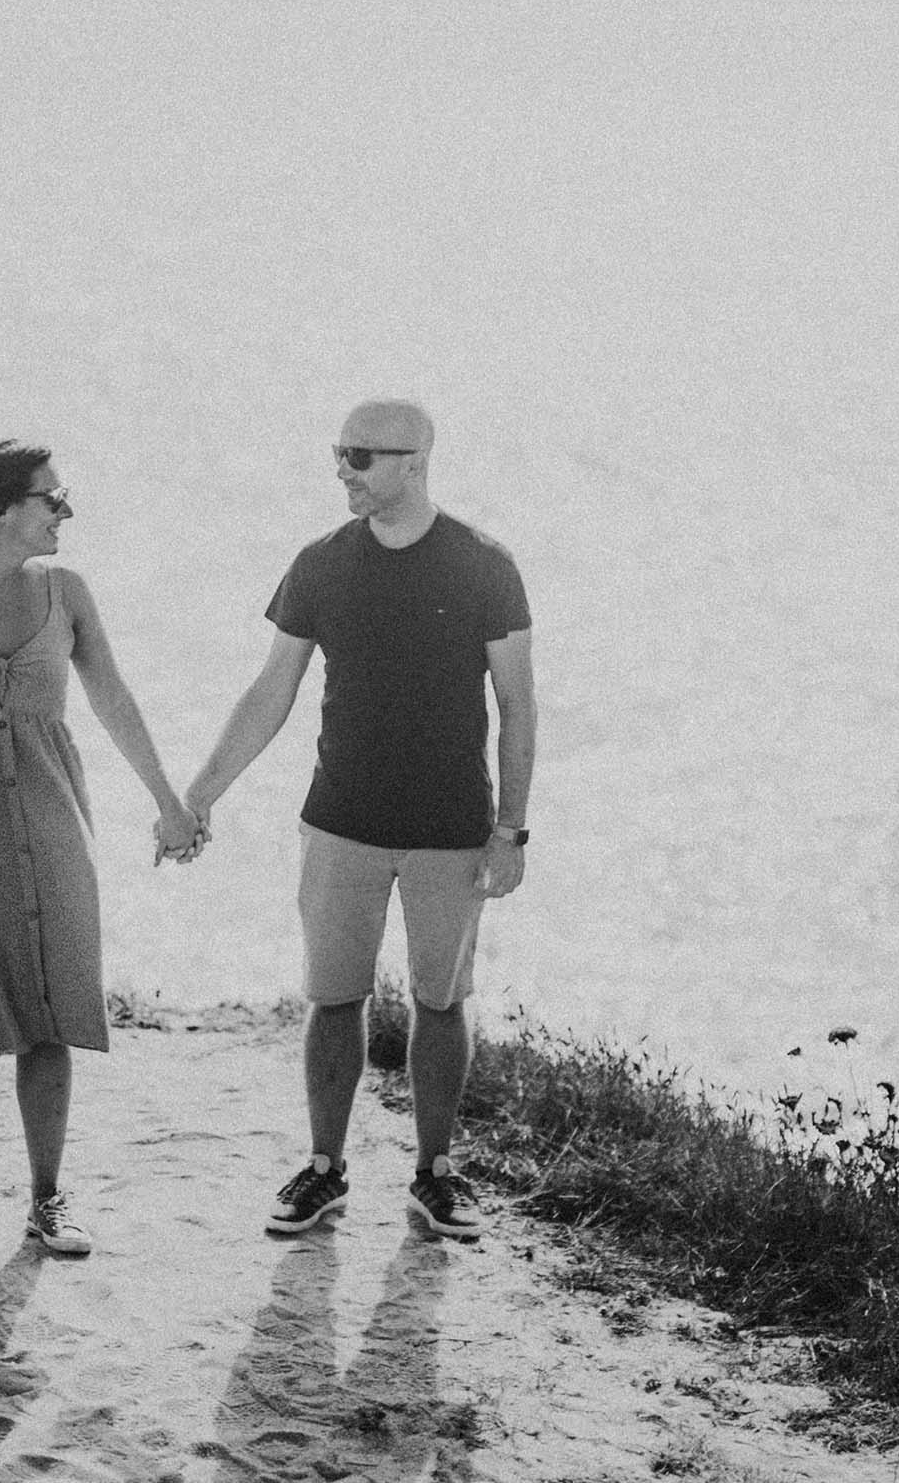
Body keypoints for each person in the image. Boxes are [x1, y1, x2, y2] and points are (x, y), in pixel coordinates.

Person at [185, 400, 534, 1239]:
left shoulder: (484, 564)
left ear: (413, 462)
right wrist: (200, 794)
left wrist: (511, 831)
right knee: (332, 998)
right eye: (337, 454)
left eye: (360, 456)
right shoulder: (321, 564)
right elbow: (272, 690)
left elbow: (517, 706)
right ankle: (323, 1170)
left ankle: (435, 1174)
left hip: (452, 826)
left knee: (440, 1003)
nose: (342, 469)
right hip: (340, 818)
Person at [0, 440, 202, 1266]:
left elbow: (113, 698)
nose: (66, 512)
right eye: (53, 498)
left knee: (47, 1016)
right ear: (1, 509)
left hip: (52, 830)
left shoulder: (68, 593)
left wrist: (169, 802)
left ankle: (48, 1198)